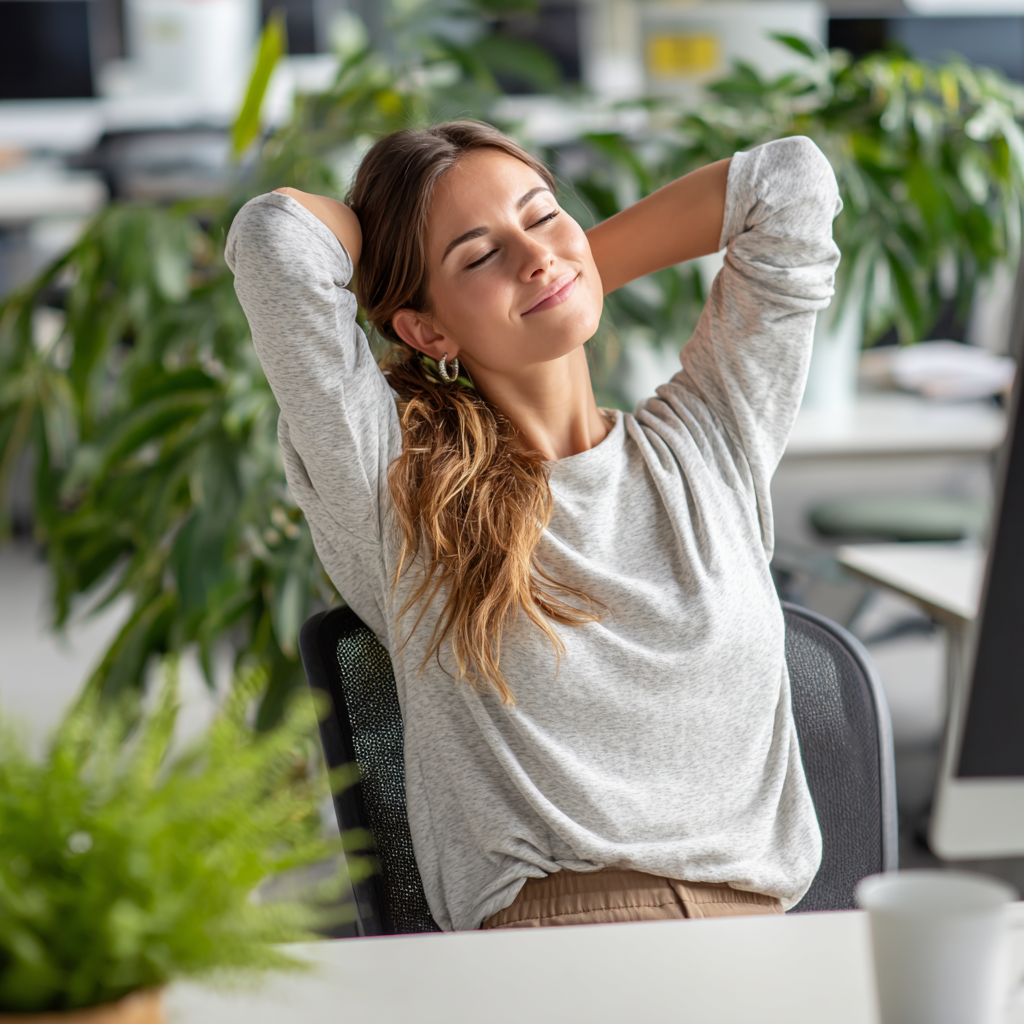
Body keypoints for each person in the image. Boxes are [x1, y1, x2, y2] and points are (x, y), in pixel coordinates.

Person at [226, 121, 842, 931]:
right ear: (425, 330)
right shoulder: (396, 487)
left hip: (764, 938)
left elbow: (791, 183)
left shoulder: (710, 444)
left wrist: (565, 275)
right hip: (556, 939)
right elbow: (277, 240)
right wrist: (515, 290)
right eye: (478, 256)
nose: (533, 253)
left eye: (543, 214)